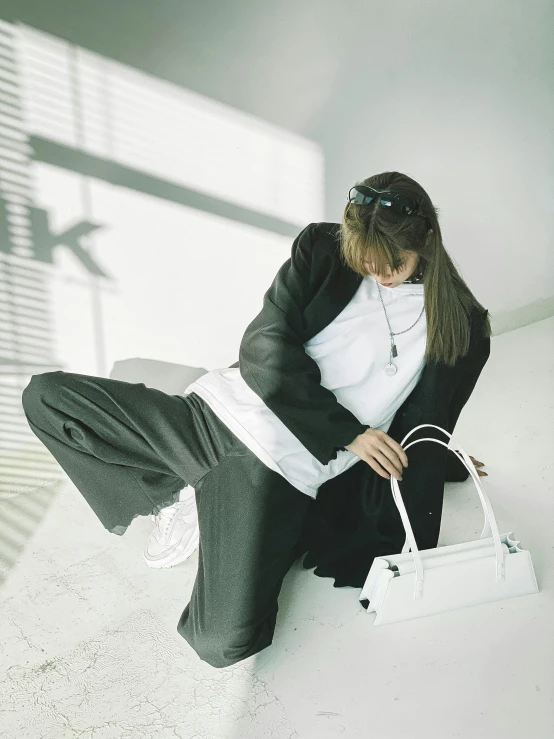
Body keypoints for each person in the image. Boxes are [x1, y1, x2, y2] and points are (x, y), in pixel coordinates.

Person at [21, 171, 491, 669]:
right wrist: (347, 432)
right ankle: (177, 492)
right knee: (46, 397)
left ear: (426, 240)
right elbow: (263, 345)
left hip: (278, 475)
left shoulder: (460, 325)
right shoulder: (322, 247)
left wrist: (440, 461)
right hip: (209, 416)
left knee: (220, 644)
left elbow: (423, 427)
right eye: (365, 262)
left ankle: (206, 498)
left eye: (392, 263)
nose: (378, 274)